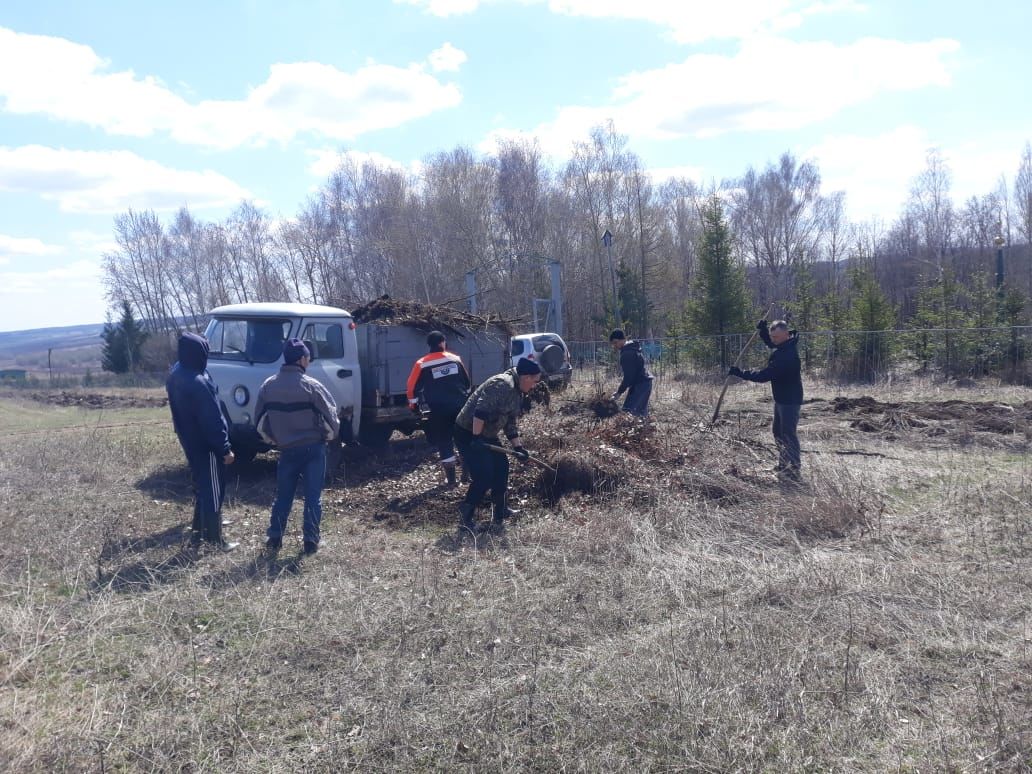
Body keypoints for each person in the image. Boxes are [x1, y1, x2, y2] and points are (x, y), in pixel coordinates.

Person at [255, 339, 340, 555]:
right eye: (308, 358)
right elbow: (332, 422)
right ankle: (310, 541)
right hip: (313, 448)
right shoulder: (312, 386)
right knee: (313, 497)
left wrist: (276, 440)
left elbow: (259, 423)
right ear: (302, 359)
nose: (309, 361)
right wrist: (325, 437)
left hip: (287, 449)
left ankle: (275, 537)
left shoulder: (268, 386)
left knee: (283, 496)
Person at [165, 332, 238, 552]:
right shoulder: (199, 383)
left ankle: (199, 529)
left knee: (202, 485)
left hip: (188, 440)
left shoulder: (176, 373)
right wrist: (224, 448)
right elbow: (212, 420)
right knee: (213, 490)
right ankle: (215, 540)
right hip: (206, 445)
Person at [453, 358, 541, 533]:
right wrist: (476, 438)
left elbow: (510, 423)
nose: (534, 386)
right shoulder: (502, 384)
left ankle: (500, 512)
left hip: (486, 433)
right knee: (484, 475)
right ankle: (465, 518)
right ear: (525, 377)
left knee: (502, 467)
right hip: (468, 432)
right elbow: (480, 411)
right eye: (534, 381)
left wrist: (518, 447)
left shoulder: (517, 391)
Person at [729, 319, 803, 482]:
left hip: (790, 400)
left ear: (785, 334)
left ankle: (793, 469)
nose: (773, 340)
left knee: (788, 434)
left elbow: (764, 376)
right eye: (772, 336)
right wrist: (763, 331)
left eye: (776, 337)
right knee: (778, 432)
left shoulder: (787, 356)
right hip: (781, 398)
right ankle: (784, 463)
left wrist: (740, 373)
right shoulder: (785, 344)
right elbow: (772, 344)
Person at [406, 330, 471, 486]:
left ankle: (451, 479)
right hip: (460, 407)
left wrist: (414, 406)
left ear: (428, 344)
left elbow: (411, 388)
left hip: (439, 410)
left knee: (444, 442)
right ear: (442, 342)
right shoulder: (455, 359)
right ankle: (466, 475)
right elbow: (467, 383)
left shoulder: (421, 364)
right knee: (463, 440)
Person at [609, 329, 654, 417]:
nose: (614, 346)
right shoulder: (633, 348)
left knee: (628, 414)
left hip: (640, 384)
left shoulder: (627, 354)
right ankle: (644, 429)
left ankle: (639, 429)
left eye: (615, 342)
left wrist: (619, 392)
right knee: (640, 413)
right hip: (645, 383)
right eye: (613, 344)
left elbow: (628, 377)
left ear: (622, 339)